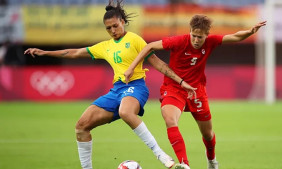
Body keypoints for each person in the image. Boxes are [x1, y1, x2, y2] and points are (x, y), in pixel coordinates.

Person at [24, 0, 196, 169]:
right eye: (108, 28)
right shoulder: (105, 46)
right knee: (81, 127)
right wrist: (44, 52)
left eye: (115, 26)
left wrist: (181, 82)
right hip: (116, 91)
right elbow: (75, 52)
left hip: (135, 86)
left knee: (125, 112)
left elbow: (157, 63)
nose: (113, 31)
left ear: (122, 22)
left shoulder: (135, 39)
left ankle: (161, 155)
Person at [124, 14, 266, 169]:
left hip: (196, 90)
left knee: (207, 134)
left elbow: (234, 37)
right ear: (190, 31)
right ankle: (185, 164)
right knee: (170, 120)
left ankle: (212, 160)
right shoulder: (178, 41)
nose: (197, 40)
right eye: (194, 36)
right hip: (174, 88)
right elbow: (148, 46)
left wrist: (250, 32)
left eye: (200, 37)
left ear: (207, 35)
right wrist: (131, 68)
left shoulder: (211, 42)